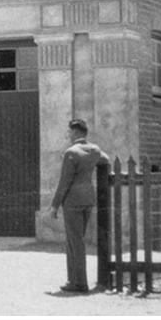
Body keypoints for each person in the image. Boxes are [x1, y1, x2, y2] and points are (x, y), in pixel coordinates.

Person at [49, 118, 103, 293]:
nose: (67, 134)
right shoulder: (95, 149)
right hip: (88, 200)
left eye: (69, 131)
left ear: (75, 132)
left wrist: (54, 205)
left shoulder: (71, 152)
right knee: (78, 241)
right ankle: (77, 280)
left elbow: (64, 182)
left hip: (72, 202)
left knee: (74, 242)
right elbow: (106, 160)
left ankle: (79, 283)